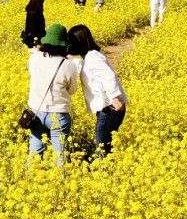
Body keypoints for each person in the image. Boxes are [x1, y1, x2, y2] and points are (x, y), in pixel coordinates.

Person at [67, 24, 128, 156]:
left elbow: (109, 76)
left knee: (102, 149)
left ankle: (105, 171)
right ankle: (108, 170)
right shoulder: (89, 57)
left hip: (110, 109)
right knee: (106, 146)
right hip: (107, 110)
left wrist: (116, 98)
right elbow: (82, 66)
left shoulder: (93, 57)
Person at [27, 24, 79, 164]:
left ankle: (28, 179)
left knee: (35, 151)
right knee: (60, 155)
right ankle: (60, 182)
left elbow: (32, 73)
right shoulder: (69, 65)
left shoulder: (34, 59)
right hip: (58, 114)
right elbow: (73, 90)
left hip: (36, 112)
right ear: (64, 45)